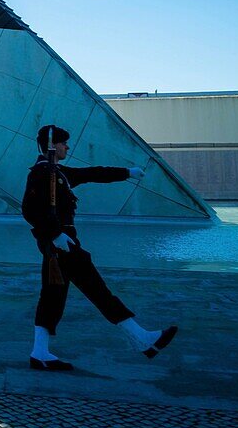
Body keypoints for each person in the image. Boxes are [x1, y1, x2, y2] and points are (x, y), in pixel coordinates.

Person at [22, 124, 177, 371]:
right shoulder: (42, 173)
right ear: (52, 145)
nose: (67, 147)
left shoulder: (57, 173)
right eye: (63, 143)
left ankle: (39, 352)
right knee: (97, 290)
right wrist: (55, 235)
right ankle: (142, 338)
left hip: (62, 242)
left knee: (52, 297)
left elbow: (93, 173)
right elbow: (29, 210)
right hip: (62, 244)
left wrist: (127, 172)